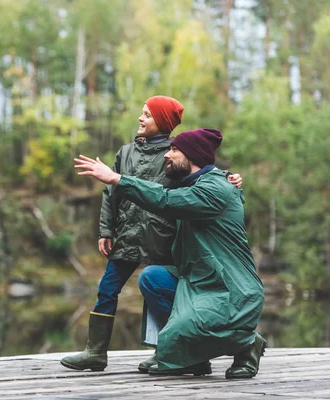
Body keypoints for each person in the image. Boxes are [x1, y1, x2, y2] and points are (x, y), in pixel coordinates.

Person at [60, 96, 242, 373]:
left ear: (164, 123)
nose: (140, 118)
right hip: (127, 234)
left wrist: (230, 177)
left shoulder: (175, 152)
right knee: (107, 289)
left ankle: (166, 350)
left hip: (163, 235)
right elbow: (111, 192)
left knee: (154, 288)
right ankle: (94, 352)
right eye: (141, 113)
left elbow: (201, 173)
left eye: (147, 115)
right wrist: (106, 230)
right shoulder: (125, 152)